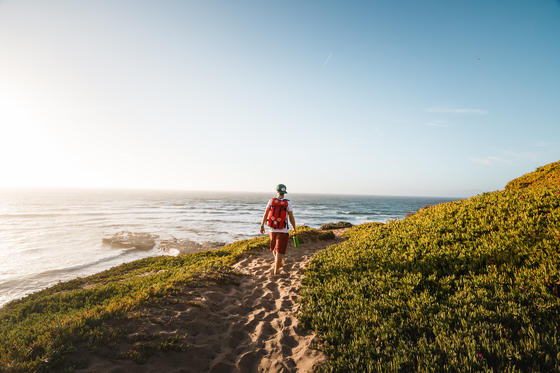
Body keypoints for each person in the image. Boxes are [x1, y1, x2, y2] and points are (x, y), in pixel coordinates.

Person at [260, 184, 297, 275]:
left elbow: (266, 214)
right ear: (284, 193)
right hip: (283, 230)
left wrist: (262, 226)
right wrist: (294, 228)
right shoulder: (288, 203)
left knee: (274, 249)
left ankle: (277, 264)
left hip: (272, 229)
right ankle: (276, 271)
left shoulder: (271, 201)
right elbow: (291, 217)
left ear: (277, 191)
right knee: (279, 251)